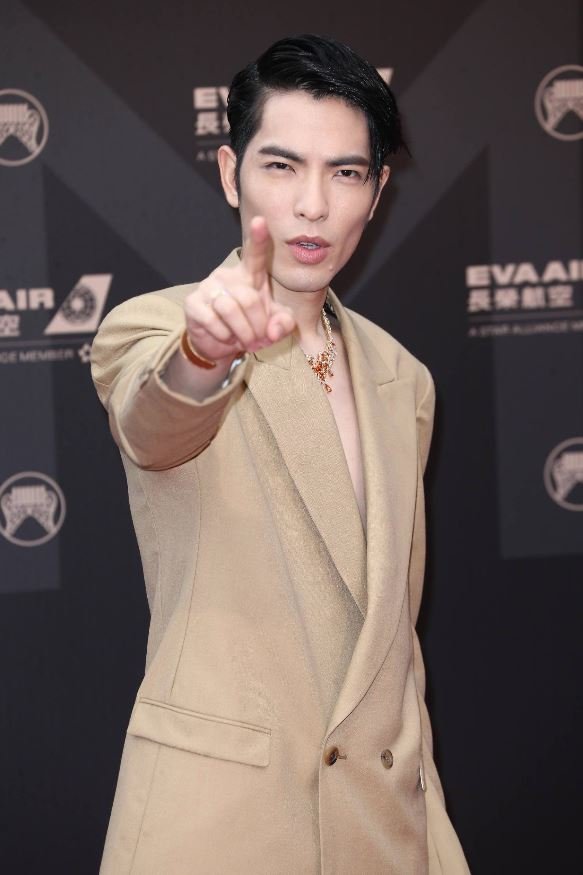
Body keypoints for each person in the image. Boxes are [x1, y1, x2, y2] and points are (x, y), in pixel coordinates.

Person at [91, 33, 470, 875]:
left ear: (375, 192)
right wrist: (204, 353)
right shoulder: (154, 327)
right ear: (232, 173)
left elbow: (392, 646)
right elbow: (155, 424)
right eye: (281, 166)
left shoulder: (403, 378)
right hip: (219, 830)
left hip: (384, 831)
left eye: (345, 173)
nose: (312, 205)